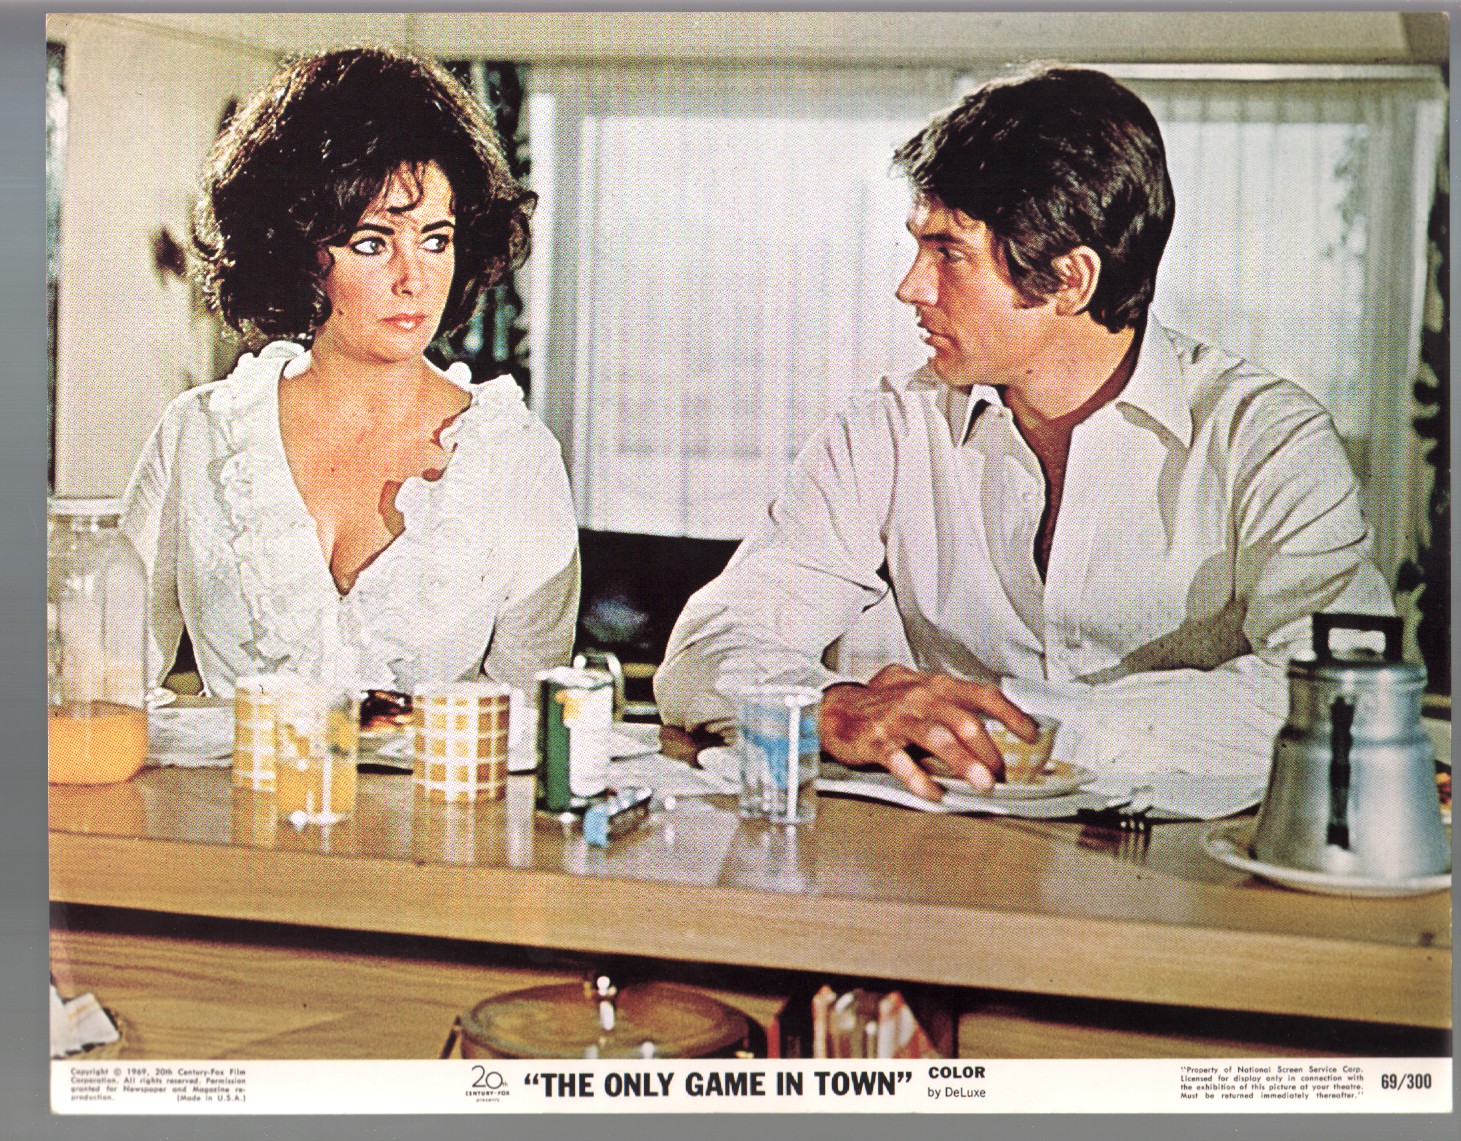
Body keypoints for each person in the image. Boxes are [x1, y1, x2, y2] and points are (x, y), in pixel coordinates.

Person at [655, 66, 1393, 800]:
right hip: (941, 853)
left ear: (1069, 280)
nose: (910, 286)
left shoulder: (1266, 440)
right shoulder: (884, 430)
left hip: (1185, 861)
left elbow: (1344, 695)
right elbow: (704, 650)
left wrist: (1014, 725)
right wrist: (833, 706)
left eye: (948, 253)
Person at [122, 47, 579, 697]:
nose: (413, 278)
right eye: (372, 243)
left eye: (436, 239)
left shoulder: (515, 458)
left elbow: (527, 723)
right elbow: (104, 676)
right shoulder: (200, 434)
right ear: (298, 251)